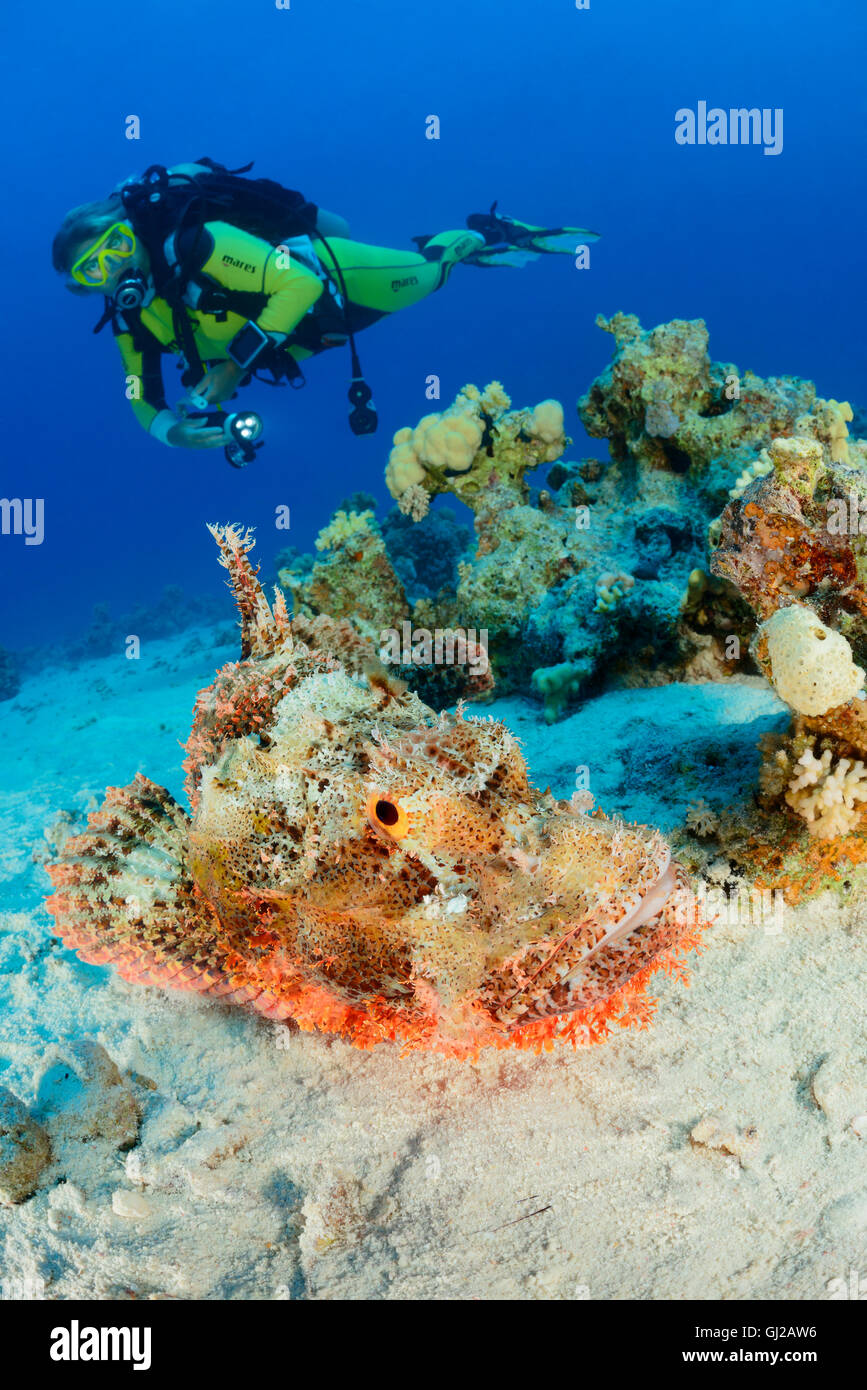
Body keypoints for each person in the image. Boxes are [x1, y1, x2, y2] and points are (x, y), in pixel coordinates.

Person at [52, 160, 598, 453]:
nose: (116, 269)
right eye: (94, 270)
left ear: (133, 233)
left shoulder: (200, 243)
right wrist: (173, 431)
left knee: (431, 275)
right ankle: (461, 242)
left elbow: (298, 287)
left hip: (336, 280)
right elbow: (141, 395)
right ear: (87, 287)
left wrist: (233, 366)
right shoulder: (131, 318)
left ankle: (487, 232)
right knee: (423, 275)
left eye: (117, 247)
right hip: (309, 339)